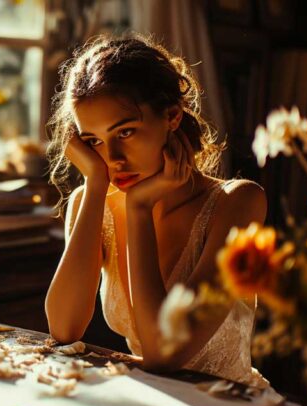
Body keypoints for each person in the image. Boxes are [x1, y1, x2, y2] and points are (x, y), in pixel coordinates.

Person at [44, 33, 268, 387]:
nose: (112, 159)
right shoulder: (94, 201)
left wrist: (139, 208)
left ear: (172, 117)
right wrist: (96, 184)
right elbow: (63, 328)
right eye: (93, 142)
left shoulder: (238, 204)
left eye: (127, 132)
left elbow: (164, 352)